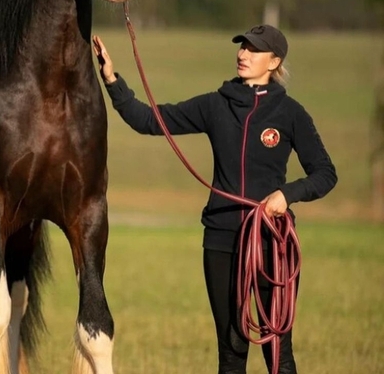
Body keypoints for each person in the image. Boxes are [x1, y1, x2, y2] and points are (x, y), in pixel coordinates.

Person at [92, 24, 337, 374]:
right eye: (242, 47)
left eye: (254, 49)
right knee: (231, 351)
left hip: (272, 242)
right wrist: (113, 80)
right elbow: (148, 120)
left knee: (278, 353)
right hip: (221, 241)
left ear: (275, 61)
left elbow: (325, 173)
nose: (243, 54)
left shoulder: (290, 113)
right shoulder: (215, 105)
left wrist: (287, 194)